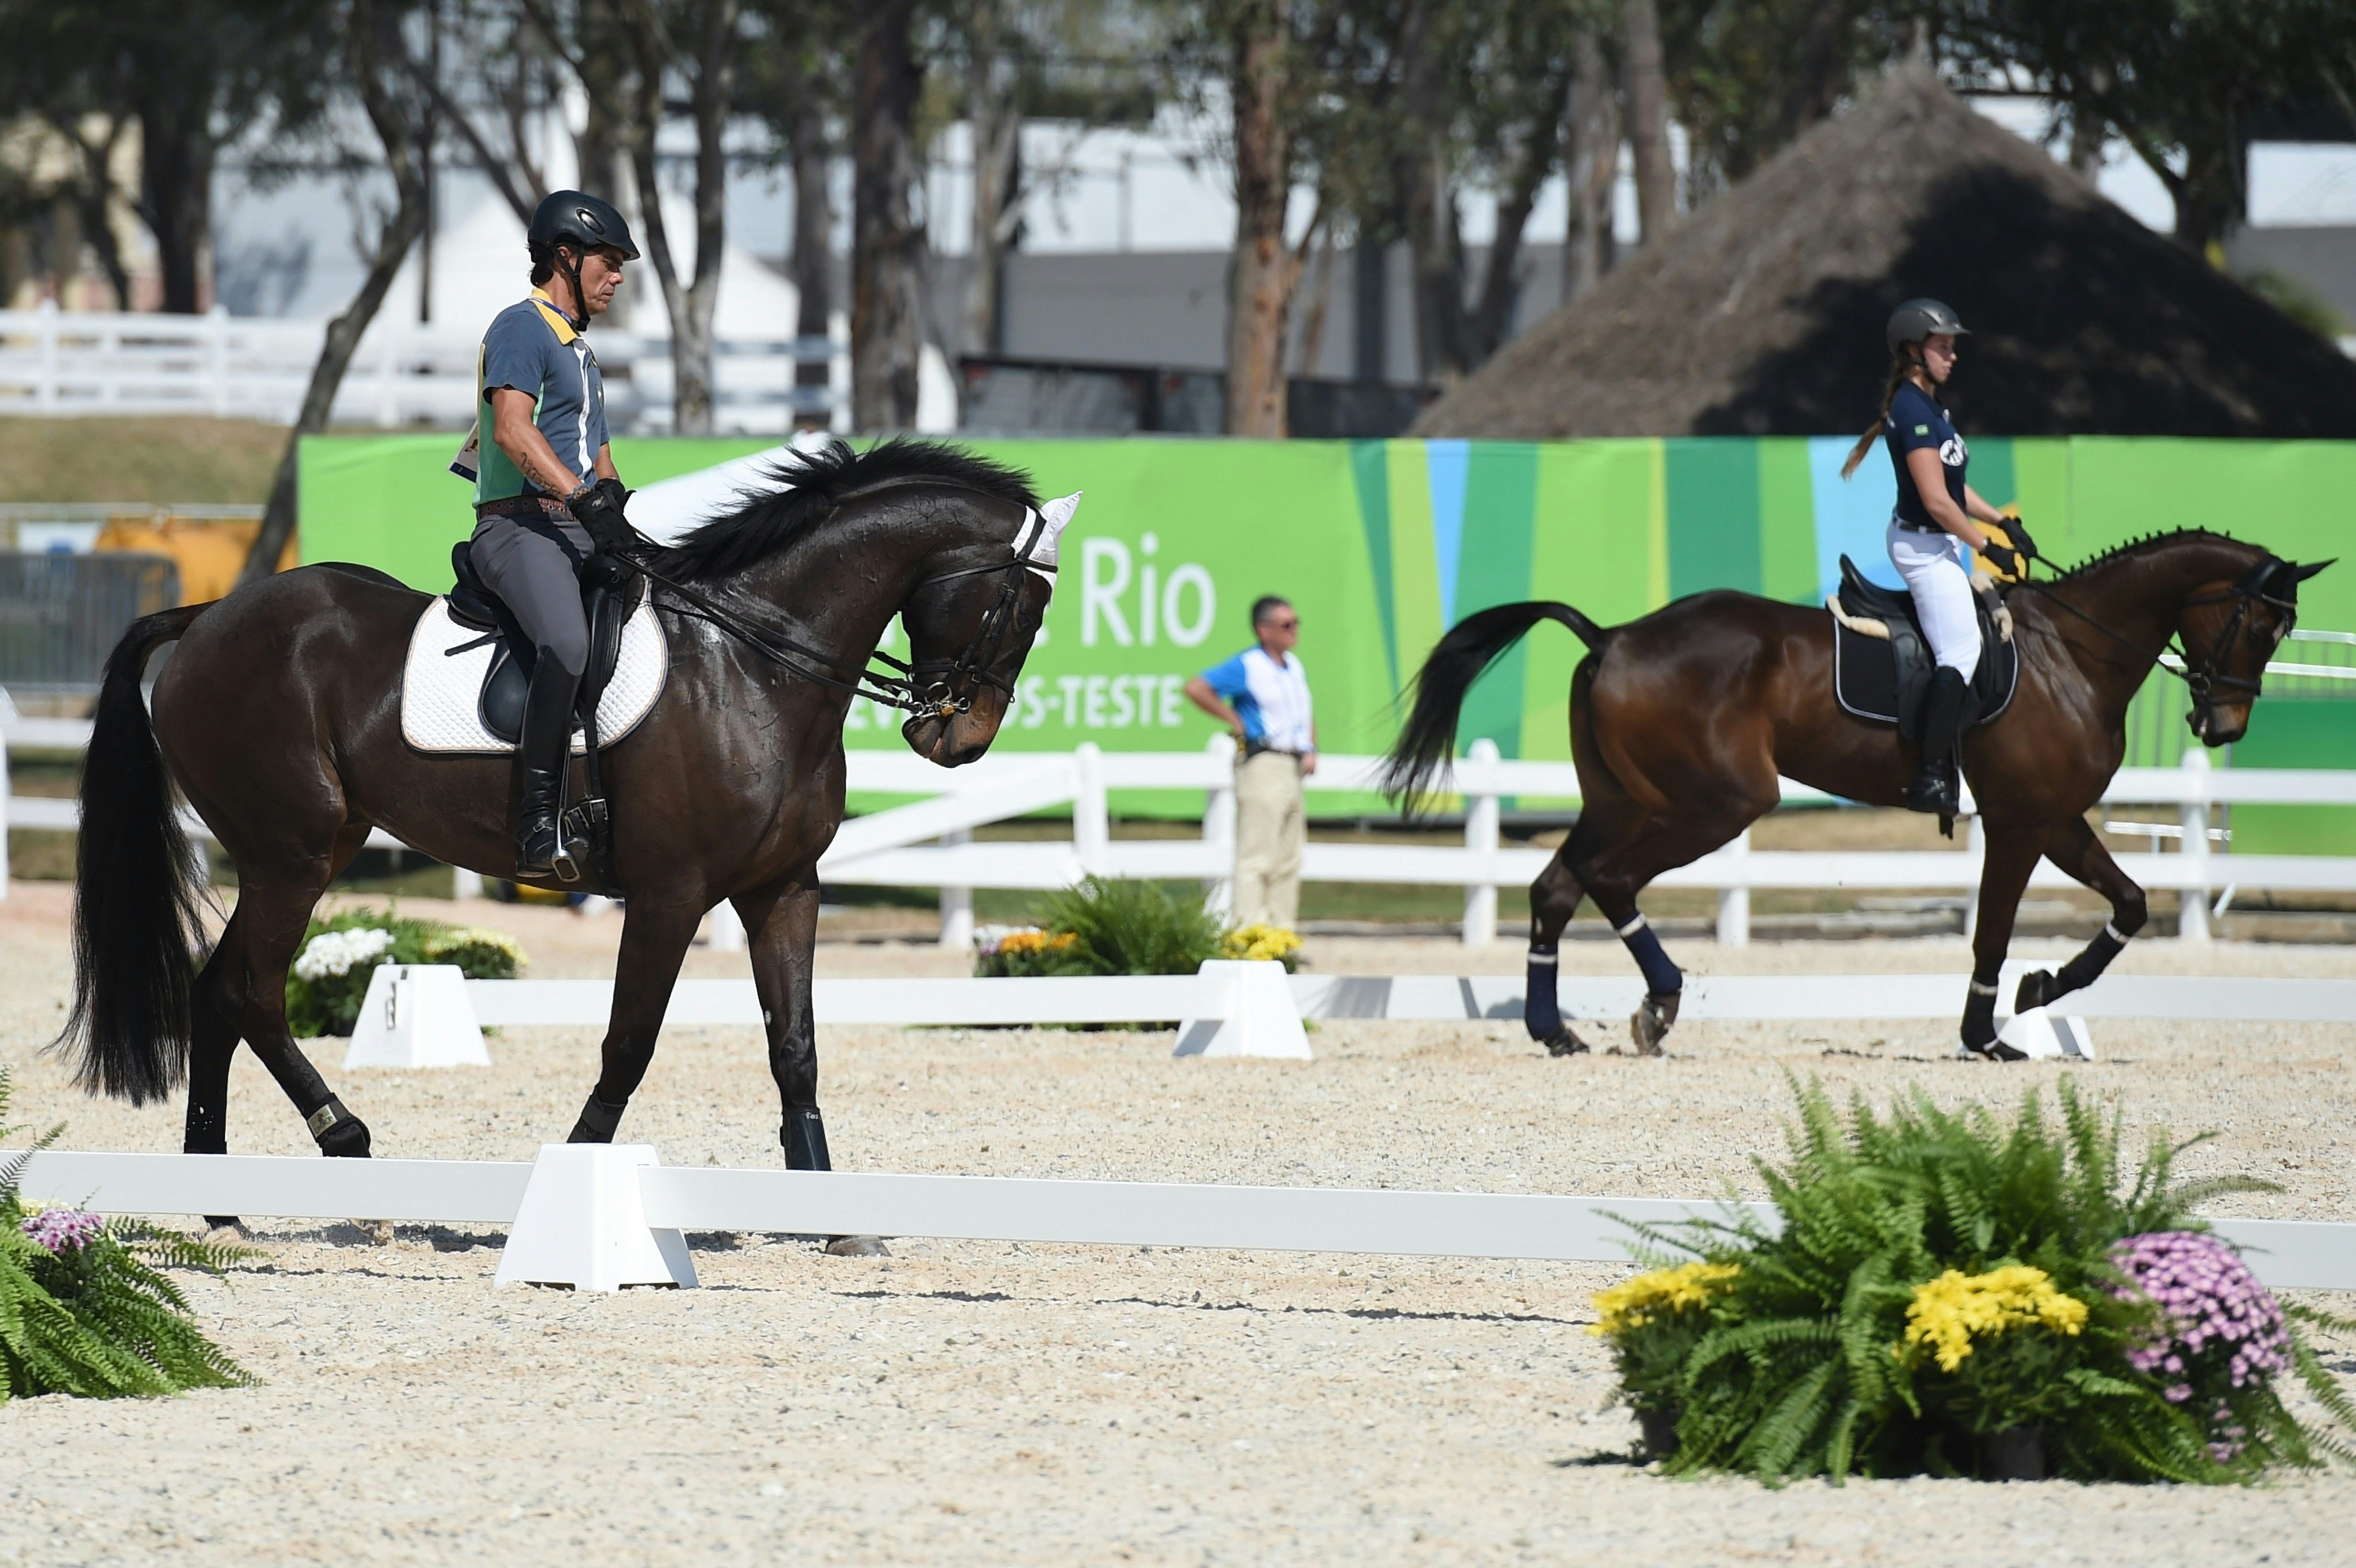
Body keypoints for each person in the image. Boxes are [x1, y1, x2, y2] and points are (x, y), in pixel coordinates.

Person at [454, 190, 644, 879]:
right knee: (566, 641)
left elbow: (599, 458)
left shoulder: (583, 355)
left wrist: (615, 506)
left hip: (575, 529)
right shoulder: (522, 327)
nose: (619, 276)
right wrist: (583, 499)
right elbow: (511, 429)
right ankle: (538, 823)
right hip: (518, 529)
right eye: (611, 261)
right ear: (567, 255)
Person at [1840, 298, 2034, 817]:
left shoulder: (1931, 408)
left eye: (1951, 347)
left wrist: (2000, 521)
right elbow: (1935, 501)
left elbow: (1956, 487)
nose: (1952, 357)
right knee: (1961, 653)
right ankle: (1928, 776)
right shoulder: (1910, 410)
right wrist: (1986, 546)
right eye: (1942, 347)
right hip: (1923, 548)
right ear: (1912, 352)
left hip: (1939, 540)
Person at [1185, 596, 1318, 930]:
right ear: (1264, 629)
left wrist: (1311, 747)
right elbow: (1197, 688)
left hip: (1292, 764)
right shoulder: (1249, 665)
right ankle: (1249, 933)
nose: (1294, 631)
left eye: (1295, 623)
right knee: (1256, 855)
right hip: (1263, 763)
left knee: (1289, 857)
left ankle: (1281, 934)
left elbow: (1304, 711)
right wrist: (1236, 721)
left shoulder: (1294, 666)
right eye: (1286, 625)